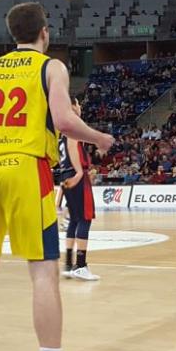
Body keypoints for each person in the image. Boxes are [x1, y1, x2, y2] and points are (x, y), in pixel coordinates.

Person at [0, 2, 114, 351]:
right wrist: (99, 138)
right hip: (27, 168)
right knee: (44, 272)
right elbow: (63, 121)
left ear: (13, 34)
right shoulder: (51, 67)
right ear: (44, 32)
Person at [58, 106, 100, 281]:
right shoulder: (73, 127)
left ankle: (68, 264)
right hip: (75, 177)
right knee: (85, 218)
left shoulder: (62, 131)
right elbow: (73, 144)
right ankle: (80, 265)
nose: (81, 107)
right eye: (77, 104)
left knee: (75, 219)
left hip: (66, 174)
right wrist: (80, 172)